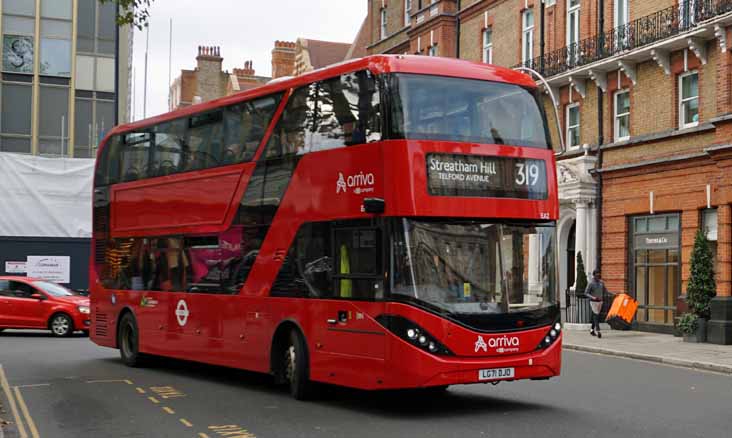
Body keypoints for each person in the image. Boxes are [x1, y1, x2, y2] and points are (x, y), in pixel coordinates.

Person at [584, 269, 613, 338]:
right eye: (596, 275)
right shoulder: (591, 283)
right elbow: (586, 293)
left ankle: (591, 330)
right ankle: (598, 331)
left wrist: (612, 295)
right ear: (594, 275)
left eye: (599, 275)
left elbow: (606, 291)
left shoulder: (601, 283)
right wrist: (593, 297)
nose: (598, 276)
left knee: (595, 315)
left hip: (600, 301)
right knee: (596, 316)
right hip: (593, 302)